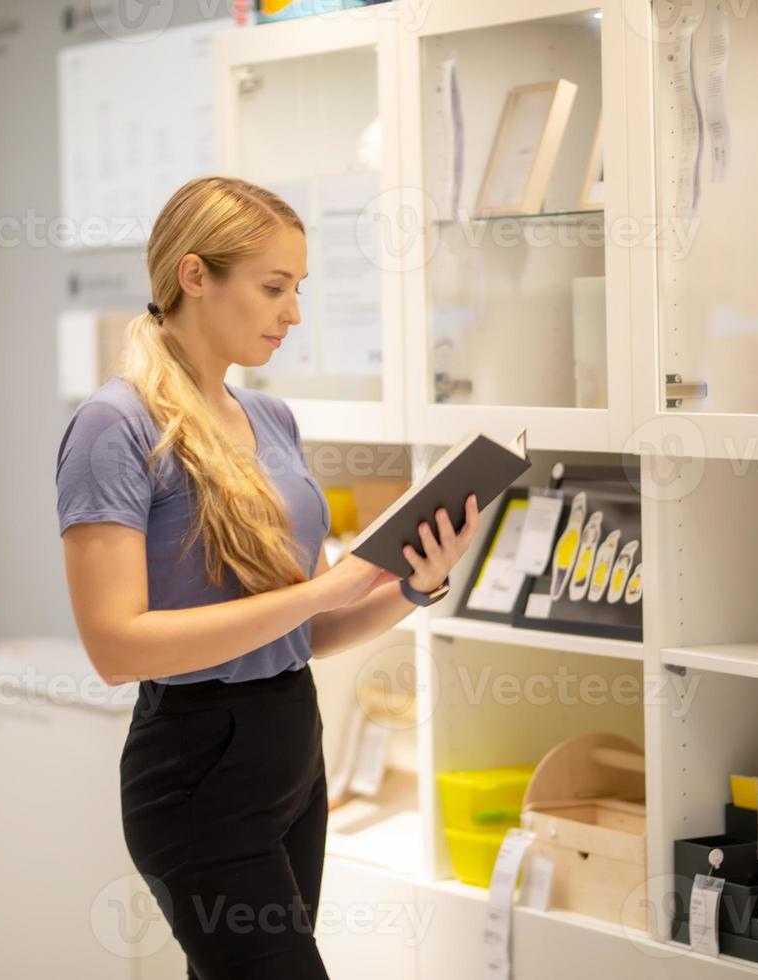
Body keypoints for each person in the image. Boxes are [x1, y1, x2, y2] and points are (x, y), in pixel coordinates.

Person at [55, 175, 479, 978]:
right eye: (274, 287)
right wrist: (326, 586)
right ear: (194, 276)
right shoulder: (114, 427)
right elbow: (116, 648)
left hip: (290, 748)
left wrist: (410, 588)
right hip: (194, 767)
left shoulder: (271, 419)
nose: (292, 313)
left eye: (298, 290)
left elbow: (306, 631)